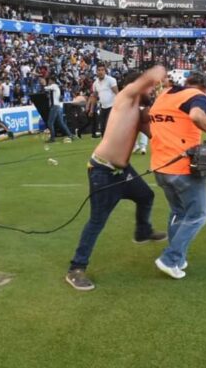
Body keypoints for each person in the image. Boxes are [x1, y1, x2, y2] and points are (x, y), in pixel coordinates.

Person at [66, 66, 168, 291]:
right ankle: (76, 268)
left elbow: (156, 133)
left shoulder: (137, 111)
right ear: (136, 86)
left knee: (146, 196)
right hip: (103, 171)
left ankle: (142, 231)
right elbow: (154, 73)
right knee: (97, 221)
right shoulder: (124, 97)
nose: (152, 90)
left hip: (122, 171)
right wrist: (161, 73)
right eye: (149, 87)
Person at [149, 72, 206, 279]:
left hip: (160, 166)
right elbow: (196, 116)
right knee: (199, 215)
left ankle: (178, 258)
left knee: (179, 211)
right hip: (182, 167)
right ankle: (170, 258)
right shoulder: (197, 95)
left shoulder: (165, 94)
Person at [87, 65, 119, 137]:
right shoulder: (95, 83)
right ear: (96, 72)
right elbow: (94, 97)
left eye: (102, 70)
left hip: (112, 106)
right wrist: (91, 110)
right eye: (99, 70)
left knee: (108, 125)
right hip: (103, 107)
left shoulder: (111, 80)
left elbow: (117, 93)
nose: (101, 72)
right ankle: (106, 145)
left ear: (105, 71)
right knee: (102, 129)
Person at [41, 75, 74, 143]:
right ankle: (70, 135)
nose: (48, 81)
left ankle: (52, 138)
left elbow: (45, 88)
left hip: (55, 107)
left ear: (52, 80)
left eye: (49, 80)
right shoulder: (56, 87)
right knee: (61, 123)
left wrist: (43, 84)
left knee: (50, 123)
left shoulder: (54, 86)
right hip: (58, 106)